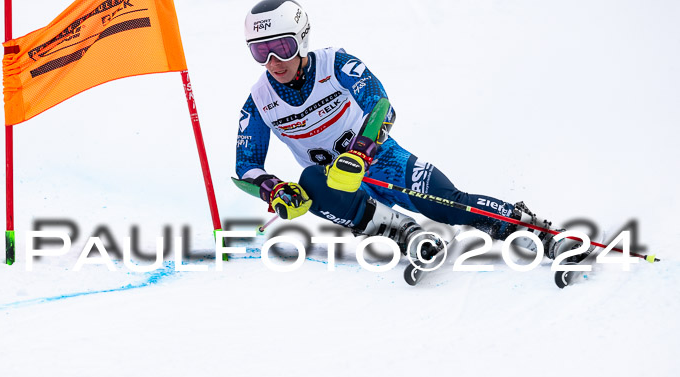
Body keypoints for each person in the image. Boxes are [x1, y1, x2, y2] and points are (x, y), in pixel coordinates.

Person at [236, 0, 576, 263]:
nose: (273, 62)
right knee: (310, 181)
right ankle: (402, 232)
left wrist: (359, 153)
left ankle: (536, 230)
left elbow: (380, 106)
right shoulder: (259, 100)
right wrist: (274, 189)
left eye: (281, 47)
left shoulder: (335, 64)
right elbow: (246, 166)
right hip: (335, 183)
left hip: (381, 160)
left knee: (449, 205)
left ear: (301, 40)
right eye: (259, 51)